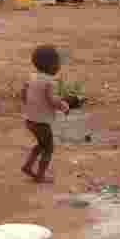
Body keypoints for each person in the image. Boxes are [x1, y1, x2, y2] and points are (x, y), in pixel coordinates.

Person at [21, 45, 69, 182]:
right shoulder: (49, 82)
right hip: (41, 122)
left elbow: (23, 93)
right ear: (51, 65)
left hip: (30, 120)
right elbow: (52, 100)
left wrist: (29, 105)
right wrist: (63, 106)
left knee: (41, 145)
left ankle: (28, 166)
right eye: (58, 63)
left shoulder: (31, 77)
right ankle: (40, 175)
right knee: (48, 148)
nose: (59, 66)